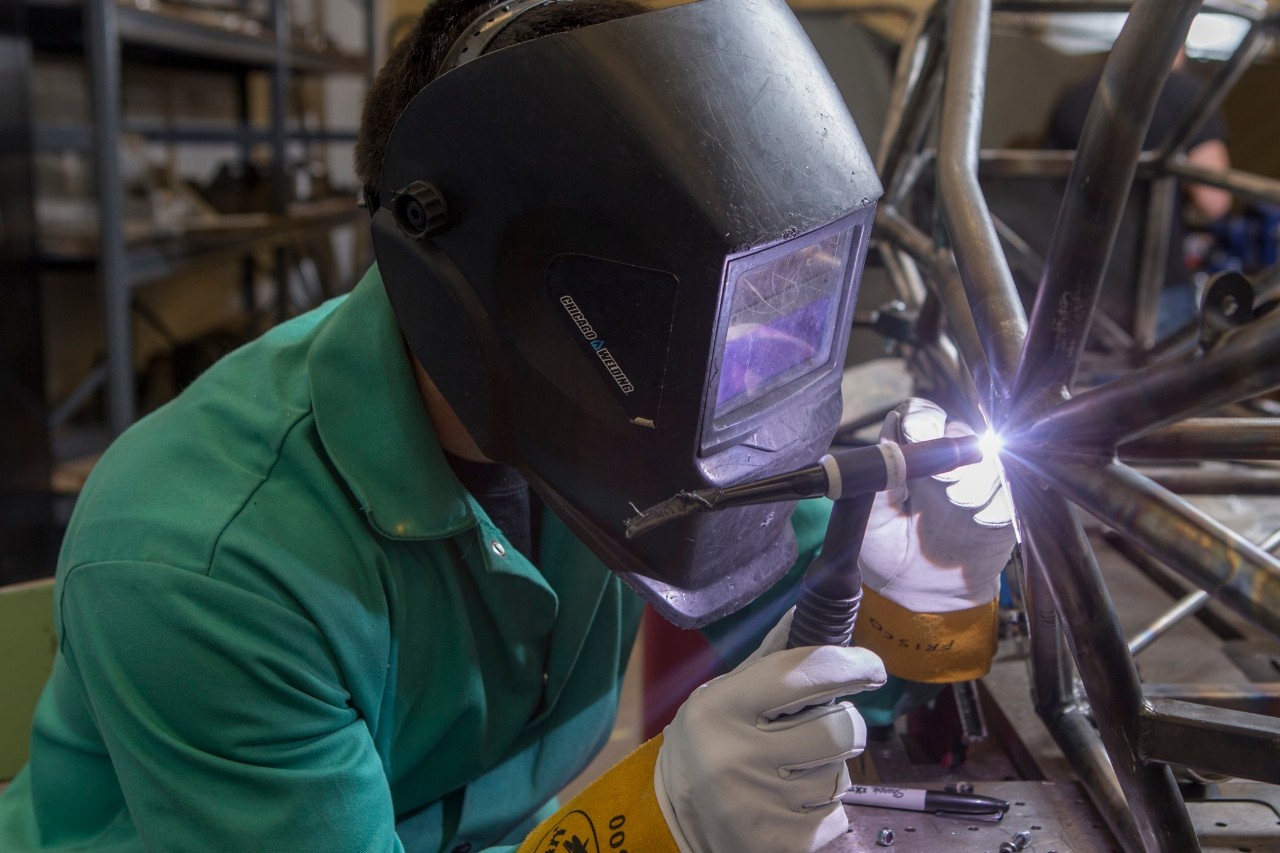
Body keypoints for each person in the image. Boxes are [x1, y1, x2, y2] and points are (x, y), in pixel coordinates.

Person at [0, 0, 1015, 850]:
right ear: (508, 281)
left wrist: (917, 581)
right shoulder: (206, 561)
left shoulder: (619, 423)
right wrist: (646, 825)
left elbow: (848, 658)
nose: (744, 379)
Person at [1048, 46, 1232, 337]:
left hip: (1080, 285)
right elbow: (1214, 200)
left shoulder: (1075, 96)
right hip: (1158, 290)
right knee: (1165, 380)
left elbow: (1050, 193)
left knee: (1090, 382)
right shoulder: (1187, 94)